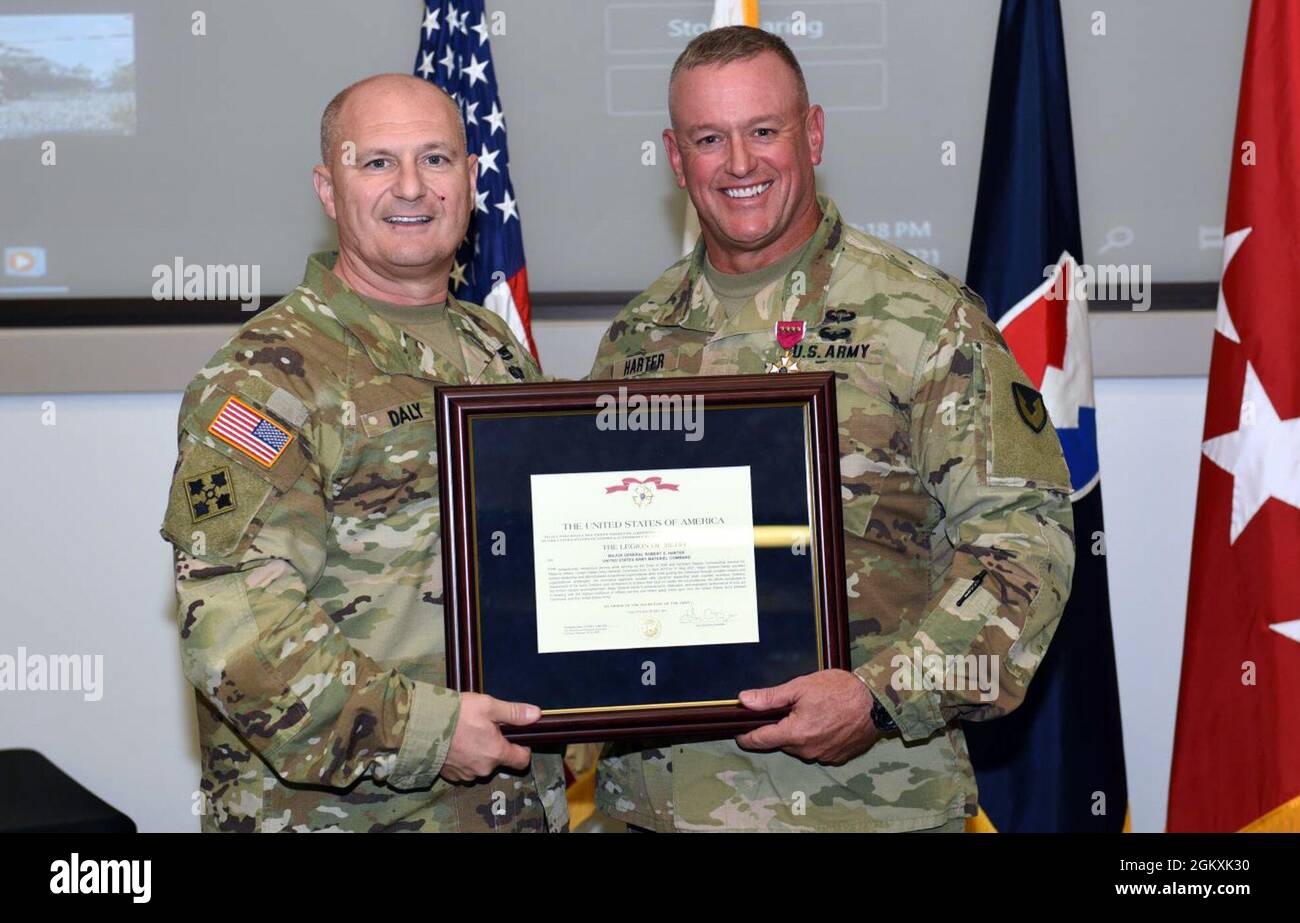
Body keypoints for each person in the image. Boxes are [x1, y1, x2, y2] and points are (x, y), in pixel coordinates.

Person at [589, 27, 1076, 832]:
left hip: (864, 806)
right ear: (677, 161)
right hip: (656, 808)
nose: (739, 163)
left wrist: (881, 696)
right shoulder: (637, 337)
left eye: (764, 130)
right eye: (710, 139)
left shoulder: (926, 321)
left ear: (811, 133)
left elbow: (1028, 548)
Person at [160, 74, 566, 832]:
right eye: (376, 162)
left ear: (471, 179)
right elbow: (234, 632)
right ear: (327, 187)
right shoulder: (261, 381)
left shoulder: (495, 348)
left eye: (437, 159)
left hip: (511, 809)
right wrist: (430, 732)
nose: (411, 187)